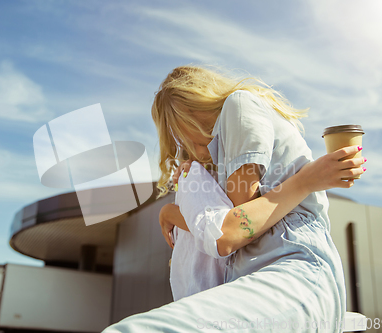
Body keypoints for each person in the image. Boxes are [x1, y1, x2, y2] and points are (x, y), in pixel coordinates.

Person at [102, 65, 366, 332]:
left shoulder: (238, 105)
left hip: (294, 265)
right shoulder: (220, 154)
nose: (190, 146)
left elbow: (232, 230)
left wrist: (305, 181)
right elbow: (224, 228)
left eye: (187, 127)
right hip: (253, 277)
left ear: (199, 104)